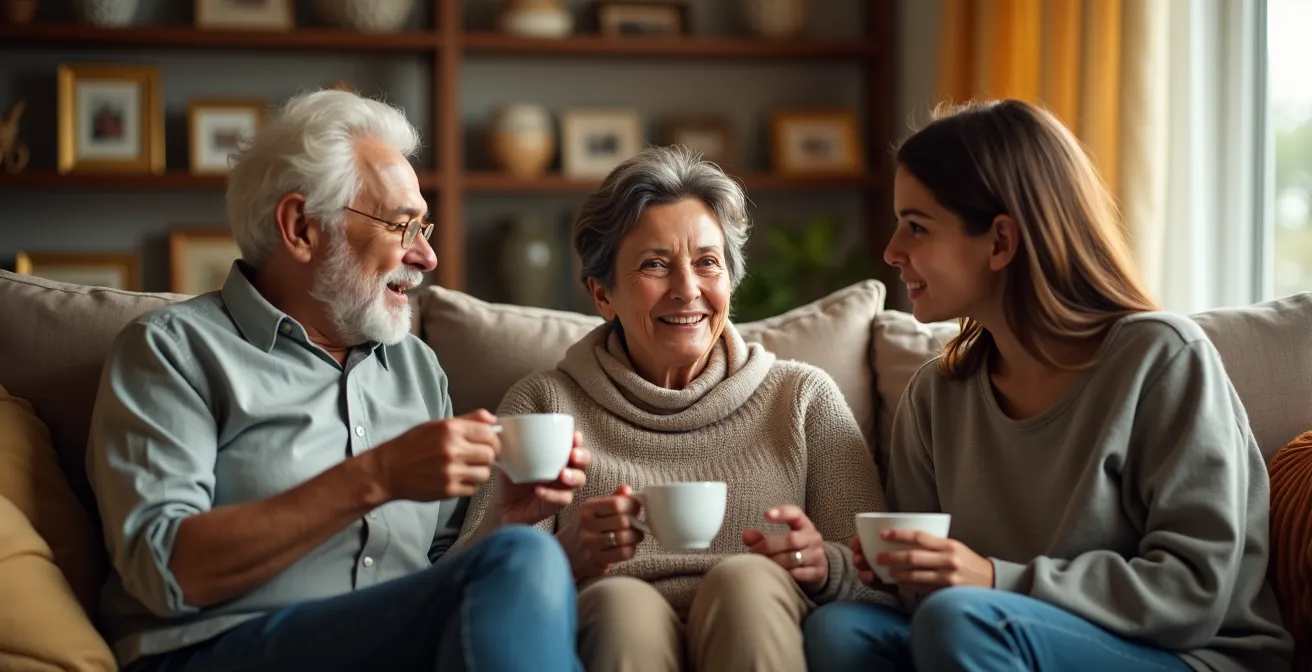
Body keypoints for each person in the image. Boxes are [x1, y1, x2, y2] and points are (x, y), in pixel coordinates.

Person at [84, 89, 590, 672]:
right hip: (216, 650)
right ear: (301, 227)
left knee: (520, 551)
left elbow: (438, 588)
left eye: (425, 228)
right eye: (403, 227)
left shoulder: (415, 368)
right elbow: (163, 570)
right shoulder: (174, 351)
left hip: (388, 650)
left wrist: (502, 523)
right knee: (521, 560)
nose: (426, 256)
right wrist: (377, 476)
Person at [801, 99, 1294, 671]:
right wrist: (853, 567)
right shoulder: (936, 396)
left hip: (1188, 655)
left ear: (1000, 242)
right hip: (995, 634)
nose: (892, 251)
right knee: (840, 630)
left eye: (916, 226)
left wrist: (992, 579)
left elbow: (1193, 590)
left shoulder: (1160, 359)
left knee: (959, 619)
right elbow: (921, 595)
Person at [455, 145, 896, 672]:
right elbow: (471, 586)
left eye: (708, 263)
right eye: (655, 265)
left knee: (746, 580)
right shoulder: (543, 404)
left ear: (729, 280)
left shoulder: (801, 398)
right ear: (602, 294)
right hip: (611, 628)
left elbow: (882, 581)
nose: (688, 290)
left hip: (764, 620)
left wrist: (823, 565)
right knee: (622, 602)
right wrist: (566, 556)